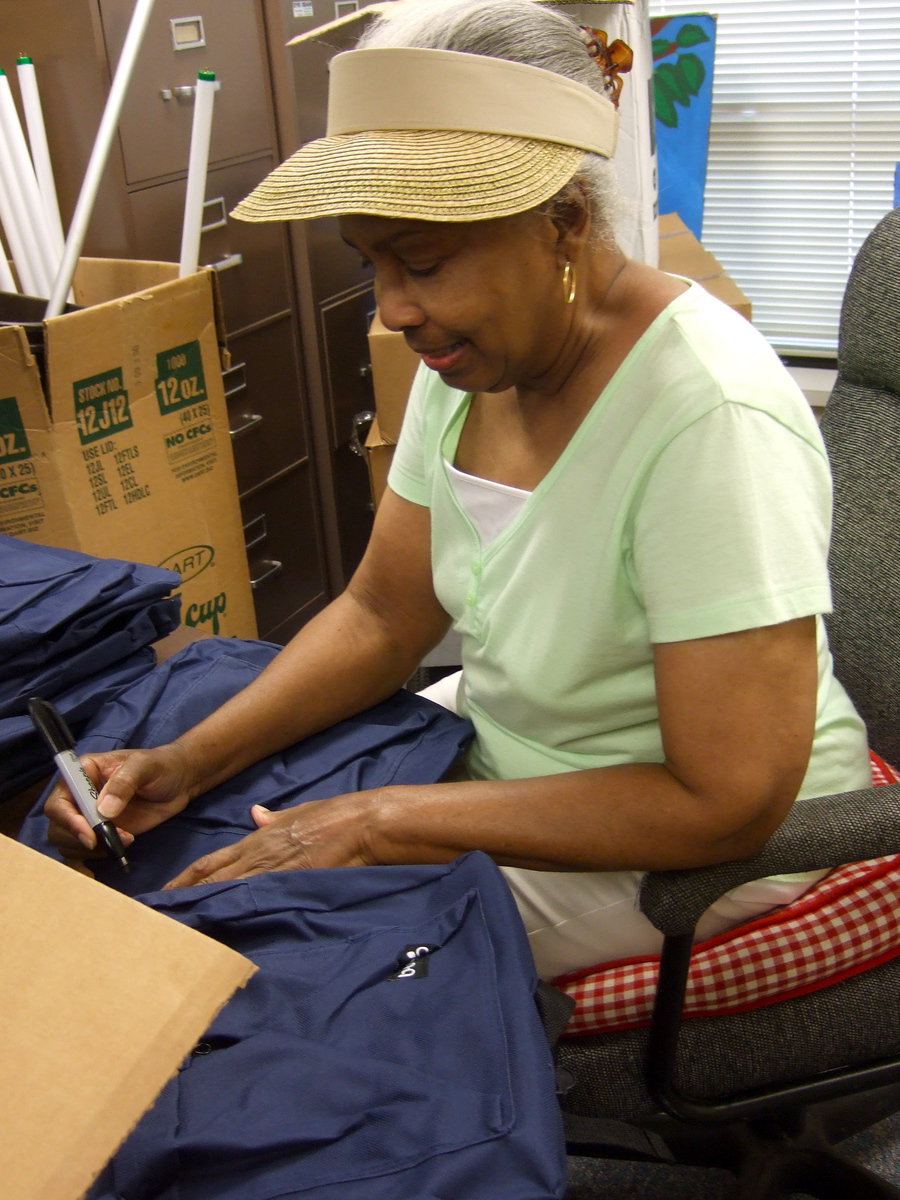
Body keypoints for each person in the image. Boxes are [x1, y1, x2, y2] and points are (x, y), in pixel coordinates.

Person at [45, 0, 870, 981]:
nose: (395, 310)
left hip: (678, 838)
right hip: (508, 755)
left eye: (424, 262)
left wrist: (377, 820)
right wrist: (189, 761)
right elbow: (384, 613)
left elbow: (726, 798)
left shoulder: (709, 419)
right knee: (174, 853)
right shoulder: (478, 360)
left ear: (562, 222)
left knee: (241, 965)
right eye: (372, 262)